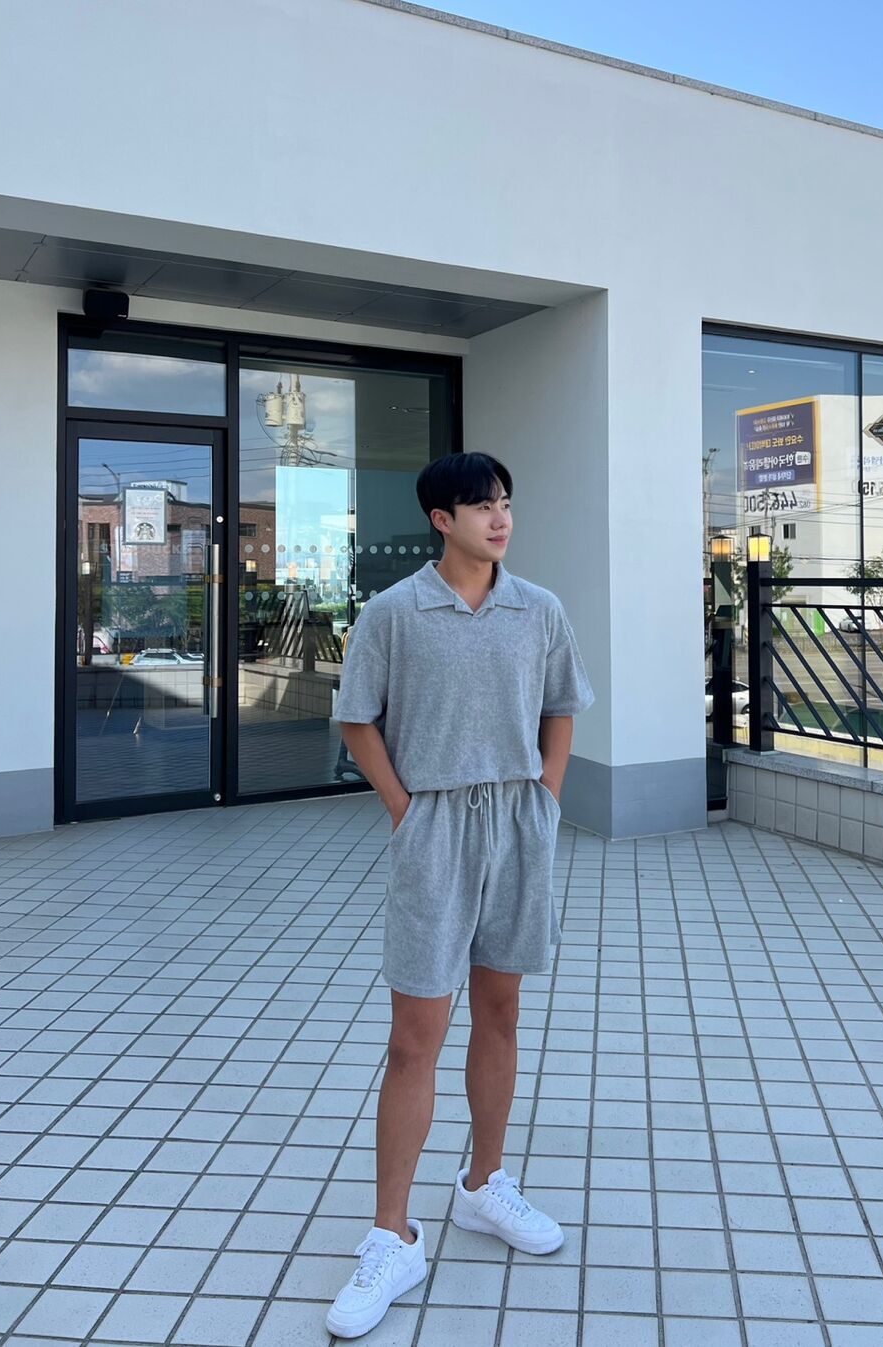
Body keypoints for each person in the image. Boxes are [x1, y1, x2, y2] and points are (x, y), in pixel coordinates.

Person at [325, 452, 594, 1339]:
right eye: (481, 505)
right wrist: (406, 811)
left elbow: (562, 706)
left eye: (505, 502)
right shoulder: (394, 612)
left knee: (502, 1010)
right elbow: (357, 716)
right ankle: (392, 1235)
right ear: (441, 519)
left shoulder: (539, 609)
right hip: (434, 825)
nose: (500, 518)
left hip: (518, 818)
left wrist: (546, 799)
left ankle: (484, 1184)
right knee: (415, 1034)